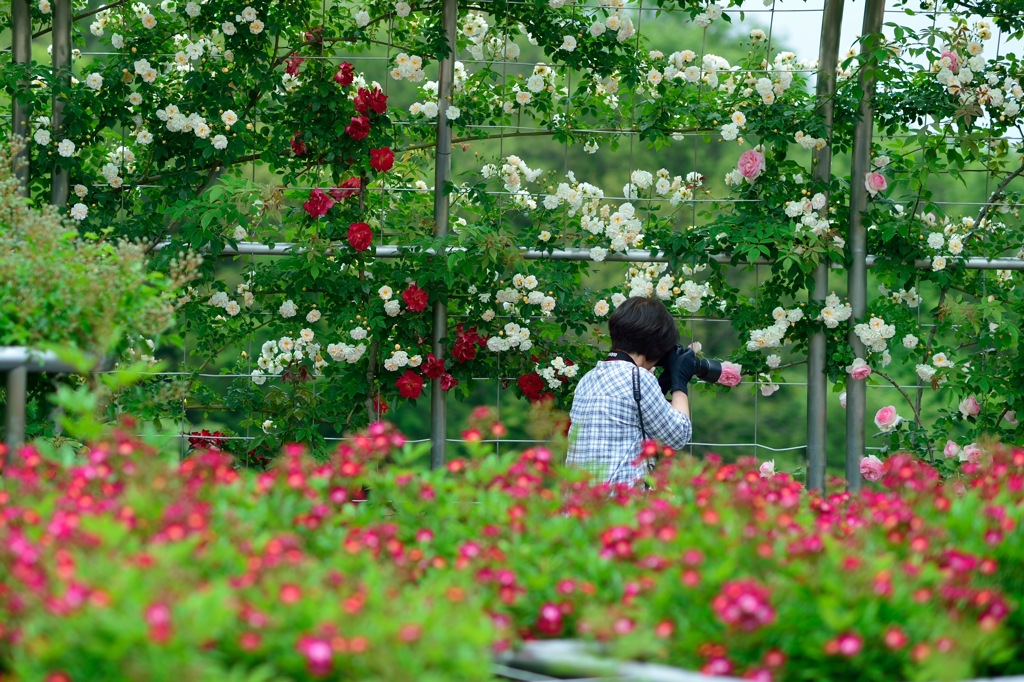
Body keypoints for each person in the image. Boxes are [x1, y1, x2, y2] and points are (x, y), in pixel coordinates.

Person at [566, 296, 695, 487]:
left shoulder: (588, 378)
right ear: (657, 345)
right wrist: (680, 380)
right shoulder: (639, 378)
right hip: (618, 507)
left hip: (581, 504)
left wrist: (662, 384)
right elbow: (678, 435)